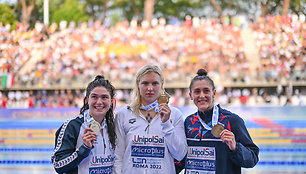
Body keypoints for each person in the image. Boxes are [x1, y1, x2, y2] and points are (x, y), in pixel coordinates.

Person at [175, 69, 259, 174]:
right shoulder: (188, 122)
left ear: (214, 93)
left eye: (206, 91)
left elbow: (253, 158)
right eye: (197, 91)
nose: (201, 95)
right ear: (191, 96)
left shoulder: (232, 121)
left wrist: (235, 147)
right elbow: (181, 159)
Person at [112, 64, 187, 174]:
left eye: (155, 83)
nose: (150, 88)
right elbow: (118, 157)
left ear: (161, 85)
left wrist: (166, 124)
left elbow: (180, 154)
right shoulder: (123, 114)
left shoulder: (175, 115)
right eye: (145, 83)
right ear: (138, 85)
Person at [51, 75, 116, 173]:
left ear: (111, 102)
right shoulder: (72, 126)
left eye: (104, 97)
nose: (99, 102)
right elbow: (58, 165)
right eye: (94, 97)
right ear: (87, 100)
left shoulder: (115, 126)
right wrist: (84, 149)